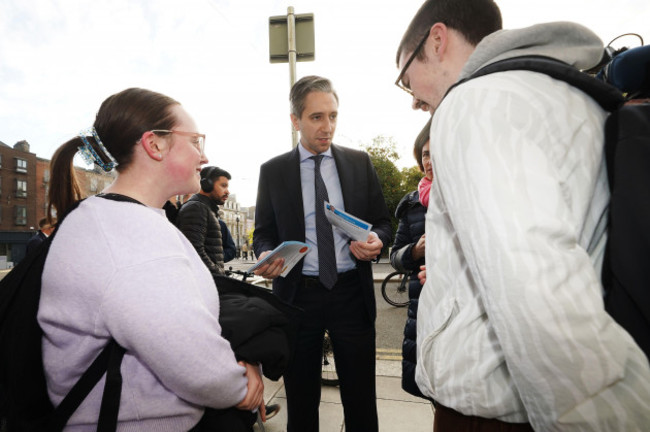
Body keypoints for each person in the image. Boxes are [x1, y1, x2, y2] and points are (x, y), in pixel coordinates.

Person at [395, 1, 650, 431]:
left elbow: (540, 300)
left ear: (437, 41)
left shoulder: (473, 104)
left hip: (488, 414)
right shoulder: (564, 97)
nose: (414, 100)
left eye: (406, 78)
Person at [39, 88, 267, 431]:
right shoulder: (130, 235)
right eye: (195, 142)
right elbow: (197, 368)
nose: (203, 157)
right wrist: (241, 384)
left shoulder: (121, 218)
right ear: (155, 144)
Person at [253, 75, 391, 432]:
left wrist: (376, 239)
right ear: (295, 120)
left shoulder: (359, 163)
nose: (327, 127)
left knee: (361, 398)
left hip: (350, 294)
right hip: (299, 298)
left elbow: (381, 222)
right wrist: (267, 253)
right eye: (316, 117)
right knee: (301, 399)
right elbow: (264, 231)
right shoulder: (273, 171)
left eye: (333, 116)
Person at [389, 118, 431, 401]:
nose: (430, 160)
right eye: (425, 154)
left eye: (436, 152)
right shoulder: (412, 204)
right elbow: (395, 256)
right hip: (423, 310)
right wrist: (415, 251)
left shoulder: (470, 195)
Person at [176, 166, 232, 278]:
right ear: (207, 185)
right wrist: (218, 275)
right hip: (206, 281)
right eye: (223, 186)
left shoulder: (206, 208)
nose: (227, 191)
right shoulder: (196, 208)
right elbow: (194, 251)